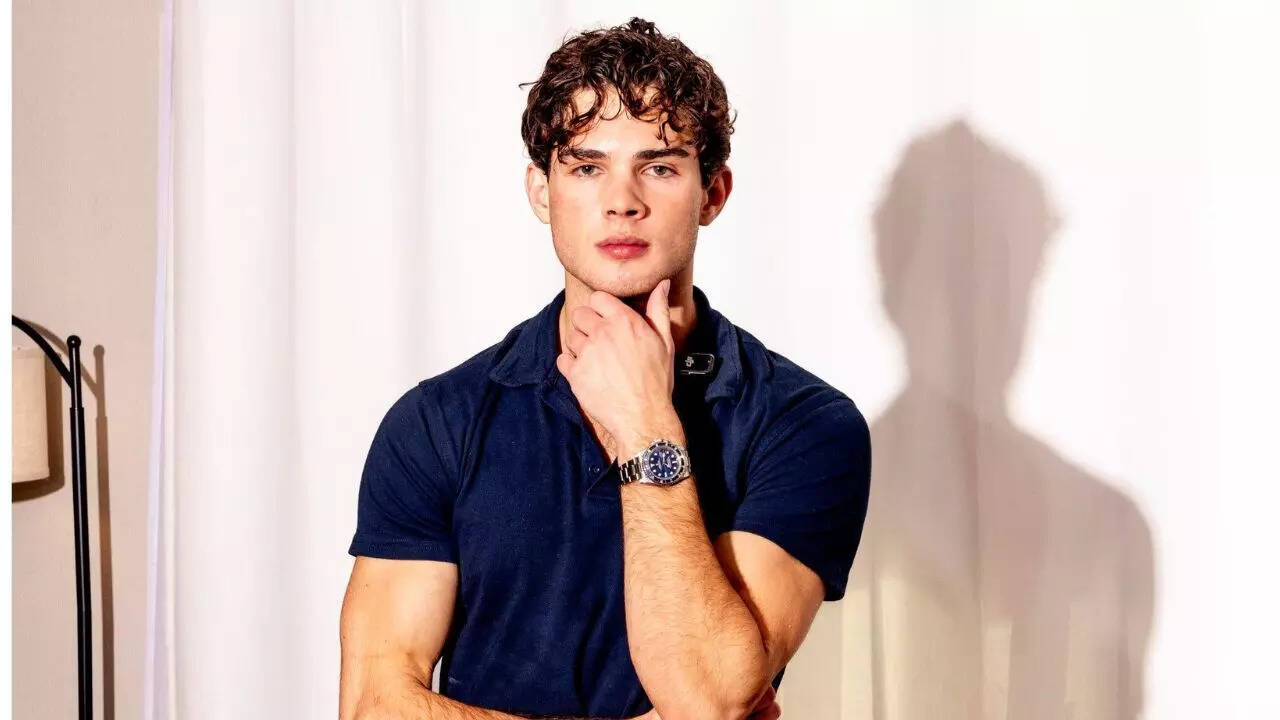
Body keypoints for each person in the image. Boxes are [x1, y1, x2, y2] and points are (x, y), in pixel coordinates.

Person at [339, 17, 871, 720]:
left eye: (659, 166)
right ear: (542, 191)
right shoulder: (438, 422)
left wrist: (645, 424)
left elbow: (709, 697)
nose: (623, 201)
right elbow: (373, 705)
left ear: (712, 194)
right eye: (587, 167)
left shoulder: (802, 424)